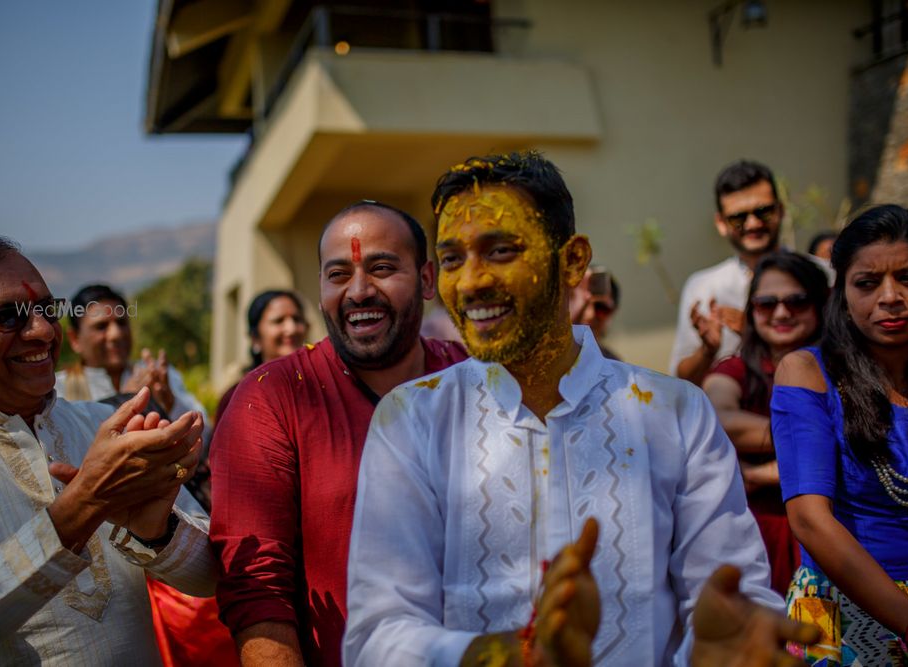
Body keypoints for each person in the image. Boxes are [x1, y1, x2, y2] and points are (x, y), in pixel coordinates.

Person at [343, 152, 809, 667]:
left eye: (500, 250)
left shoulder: (675, 413)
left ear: (572, 261)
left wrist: (718, 651)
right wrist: (509, 656)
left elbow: (732, 601)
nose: (471, 282)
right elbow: (377, 637)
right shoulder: (412, 420)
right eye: (452, 258)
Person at [0, 236, 216, 665]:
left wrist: (156, 531)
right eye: (7, 317)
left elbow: (211, 577)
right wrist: (79, 510)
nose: (43, 331)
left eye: (48, 309)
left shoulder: (108, 426)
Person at [209, 201, 467, 666]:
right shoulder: (271, 399)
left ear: (428, 280)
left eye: (383, 268)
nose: (360, 291)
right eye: (338, 274)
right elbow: (257, 589)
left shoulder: (477, 379)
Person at [773, 204, 908, 664]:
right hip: (840, 613)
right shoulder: (807, 373)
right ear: (841, 293)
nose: (890, 296)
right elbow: (809, 520)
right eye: (867, 283)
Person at [702, 251, 829, 595]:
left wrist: (758, 473)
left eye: (797, 301)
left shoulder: (844, 369)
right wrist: (818, 438)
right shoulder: (735, 369)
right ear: (751, 309)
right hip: (756, 539)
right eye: (766, 303)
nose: (782, 312)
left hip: (834, 537)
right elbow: (721, 419)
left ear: (820, 304)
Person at [670, 160, 786, 385]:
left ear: (780, 211)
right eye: (738, 218)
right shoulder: (703, 286)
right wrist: (707, 350)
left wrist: (753, 335)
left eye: (763, 211)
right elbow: (680, 381)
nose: (752, 224)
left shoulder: (822, 275)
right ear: (721, 223)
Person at [56, 283, 211, 437]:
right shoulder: (57, 390)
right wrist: (124, 401)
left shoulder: (158, 375)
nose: (116, 334)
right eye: (101, 326)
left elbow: (206, 433)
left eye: (121, 323)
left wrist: (171, 403)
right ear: (75, 338)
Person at [214, 289, 308, 424]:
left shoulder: (319, 387)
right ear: (255, 338)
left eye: (297, 319)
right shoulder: (237, 397)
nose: (291, 328)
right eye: (278, 321)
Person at [570, 264, 621, 359]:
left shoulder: (614, 366)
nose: (590, 315)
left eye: (601, 309)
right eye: (584, 305)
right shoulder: (542, 361)